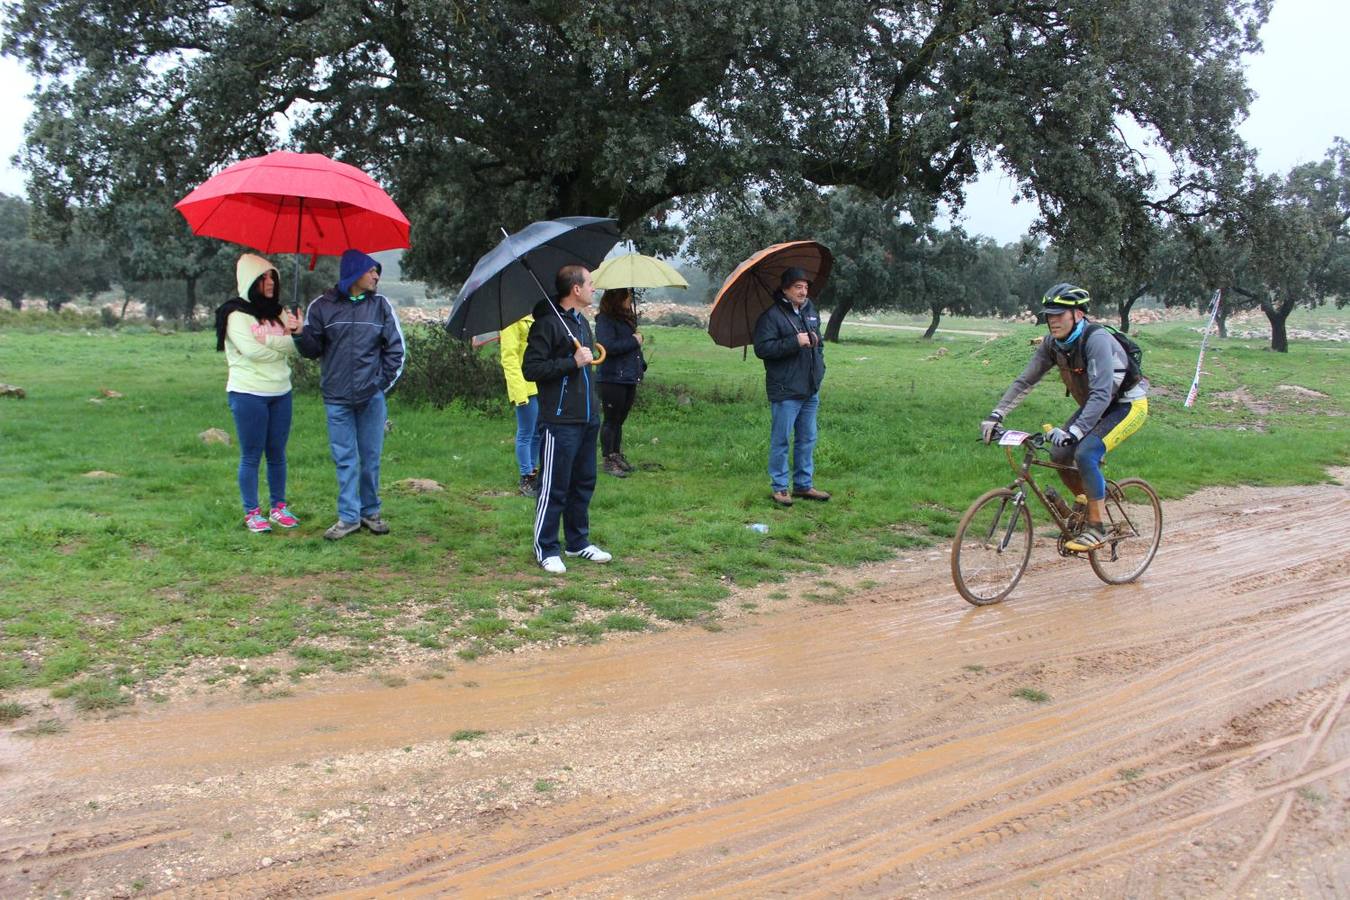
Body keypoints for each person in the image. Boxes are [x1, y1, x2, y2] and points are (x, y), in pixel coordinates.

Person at [980, 283, 1149, 552]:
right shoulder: (1053, 344)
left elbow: (1102, 393)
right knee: (1059, 455)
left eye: (1059, 314)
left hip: (1126, 405)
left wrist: (1075, 431)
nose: (1053, 320)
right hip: (1095, 405)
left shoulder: (1096, 339)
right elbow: (1025, 381)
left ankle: (1097, 527)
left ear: (1078, 314)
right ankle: (1087, 504)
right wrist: (995, 415)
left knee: (1086, 453)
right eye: (1049, 315)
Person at [293, 249, 406, 540]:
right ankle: (348, 517)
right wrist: (299, 333)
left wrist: (378, 385)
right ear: (354, 272)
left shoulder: (381, 306)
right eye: (371, 271)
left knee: (370, 459)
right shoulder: (322, 307)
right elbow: (312, 351)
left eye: (377, 271)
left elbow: (396, 350)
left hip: (371, 398)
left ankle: (370, 512)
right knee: (345, 459)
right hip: (337, 398)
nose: (376, 276)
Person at [522, 264, 612, 574]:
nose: (593, 288)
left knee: (583, 483)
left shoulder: (580, 322)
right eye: (590, 283)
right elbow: (531, 369)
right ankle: (546, 548)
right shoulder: (547, 325)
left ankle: (577, 542)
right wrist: (571, 362)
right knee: (554, 486)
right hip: (559, 421)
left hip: (587, 417)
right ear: (575, 289)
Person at [214, 253, 301, 533]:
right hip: (248, 393)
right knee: (251, 455)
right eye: (263, 278)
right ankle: (252, 512)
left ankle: (278, 507)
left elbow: (296, 346)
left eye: (272, 276)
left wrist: (280, 338)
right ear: (250, 281)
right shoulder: (235, 314)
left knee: (277, 453)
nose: (270, 282)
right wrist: (282, 342)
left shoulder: (280, 312)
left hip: (281, 391)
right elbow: (252, 351)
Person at [752, 266, 830, 507]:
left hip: (809, 387)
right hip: (785, 389)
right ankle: (780, 487)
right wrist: (793, 341)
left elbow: (818, 342)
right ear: (785, 289)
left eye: (805, 287)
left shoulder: (810, 311)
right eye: (798, 287)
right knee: (782, 440)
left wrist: (819, 362)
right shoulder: (771, 317)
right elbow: (762, 349)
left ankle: (804, 485)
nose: (803, 292)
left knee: (807, 438)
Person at [594, 287, 646, 478]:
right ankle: (608, 459)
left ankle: (616, 454)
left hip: (628, 376)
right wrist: (634, 341)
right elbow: (607, 347)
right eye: (627, 296)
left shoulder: (626, 320)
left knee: (619, 420)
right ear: (618, 298)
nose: (630, 299)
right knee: (611, 419)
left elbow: (632, 349)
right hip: (612, 378)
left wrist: (641, 364)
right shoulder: (604, 321)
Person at [499, 314, 541, 497]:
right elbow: (509, 358)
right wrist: (518, 391)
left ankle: (533, 472)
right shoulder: (510, 321)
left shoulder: (536, 316)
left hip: (540, 383)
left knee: (538, 432)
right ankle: (526, 476)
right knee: (526, 432)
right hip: (524, 386)